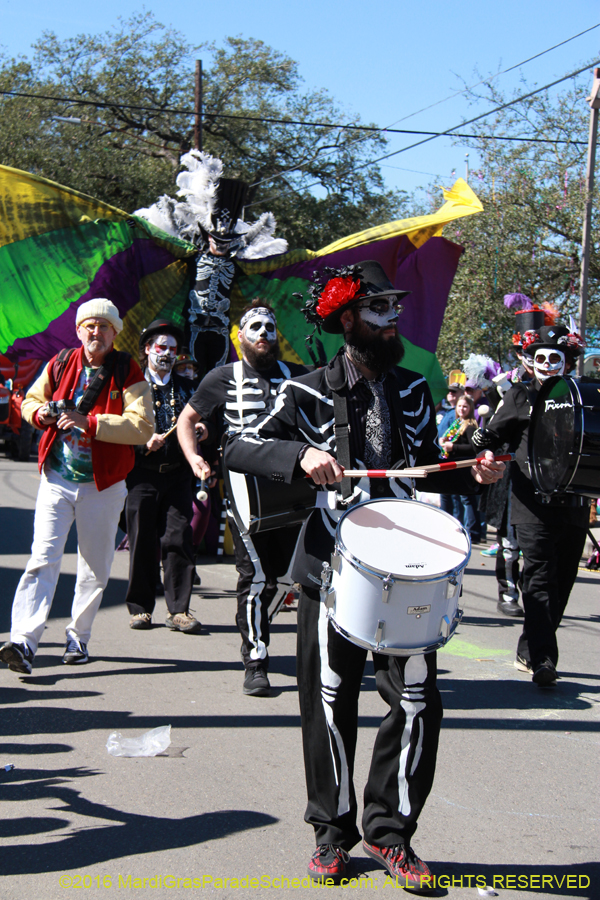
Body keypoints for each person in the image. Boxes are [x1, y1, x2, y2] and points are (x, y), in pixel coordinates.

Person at [224, 262, 504, 886]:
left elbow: (430, 465)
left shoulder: (411, 389)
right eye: (379, 311)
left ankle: (391, 833)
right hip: (330, 563)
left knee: (418, 702)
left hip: (407, 564)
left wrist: (472, 470)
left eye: (395, 310)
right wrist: (301, 454)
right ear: (348, 320)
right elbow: (238, 448)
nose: (392, 320)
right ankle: (332, 832)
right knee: (328, 702)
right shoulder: (306, 391)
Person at [0, 299, 153, 674]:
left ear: (115, 333)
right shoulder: (61, 363)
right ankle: (24, 640)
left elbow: (142, 425)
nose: (95, 332)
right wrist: (43, 412)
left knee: (93, 567)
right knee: (42, 558)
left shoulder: (127, 369)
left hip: (103, 486)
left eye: (103, 326)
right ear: (79, 330)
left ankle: (78, 636)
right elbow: (31, 403)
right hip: (57, 477)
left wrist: (92, 423)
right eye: (89, 326)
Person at [177, 300, 307, 696]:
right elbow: (187, 419)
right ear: (239, 338)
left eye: (270, 328)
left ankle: (255, 625)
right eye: (256, 328)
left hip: (291, 487)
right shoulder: (222, 377)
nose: (265, 335)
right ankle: (255, 658)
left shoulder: (299, 376)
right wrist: (195, 459)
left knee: (287, 576)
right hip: (243, 487)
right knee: (255, 575)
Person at [472, 323, 588, 686]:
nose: (548, 364)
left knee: (562, 582)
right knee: (538, 579)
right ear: (529, 361)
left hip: (574, 504)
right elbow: (486, 436)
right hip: (531, 505)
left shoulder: (584, 397)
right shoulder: (519, 397)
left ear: (567, 362)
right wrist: (485, 451)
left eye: (556, 358)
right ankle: (543, 659)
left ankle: (530, 646)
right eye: (540, 357)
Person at [124, 319, 201, 634]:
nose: (168, 353)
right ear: (147, 350)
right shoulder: (132, 389)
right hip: (141, 476)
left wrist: (203, 430)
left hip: (178, 477)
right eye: (161, 347)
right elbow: (118, 428)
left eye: (173, 348)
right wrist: (143, 444)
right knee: (142, 541)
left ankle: (179, 610)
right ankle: (141, 609)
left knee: (178, 538)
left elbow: (202, 420)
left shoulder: (187, 388)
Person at [439, 394, 480, 542]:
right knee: (454, 498)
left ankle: (472, 532)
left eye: (465, 406)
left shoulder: (469, 426)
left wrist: (453, 447)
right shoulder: (457, 423)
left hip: (464, 466)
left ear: (470, 409)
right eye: (460, 406)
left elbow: (473, 448)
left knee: (466, 500)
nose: (462, 409)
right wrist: (444, 441)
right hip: (452, 465)